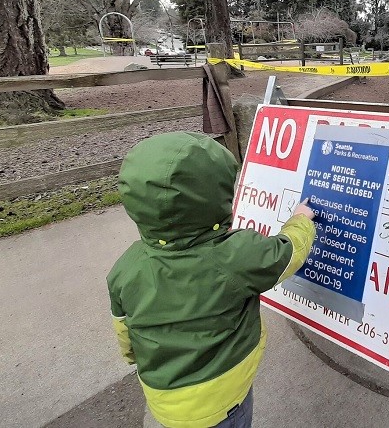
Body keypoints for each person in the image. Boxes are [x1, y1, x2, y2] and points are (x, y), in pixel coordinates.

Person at [106, 132, 316, 428]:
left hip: (165, 403)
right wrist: (301, 220)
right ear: (214, 197)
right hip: (222, 400)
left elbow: (125, 333)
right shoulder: (234, 256)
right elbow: (288, 253)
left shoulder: (125, 267)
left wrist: (137, 359)